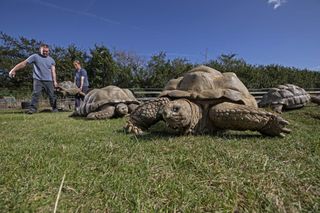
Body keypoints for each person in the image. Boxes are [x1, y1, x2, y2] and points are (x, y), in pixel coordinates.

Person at [9, 43, 58, 114]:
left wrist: (55, 81)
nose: (45, 52)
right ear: (40, 50)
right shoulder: (35, 56)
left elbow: (53, 72)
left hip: (49, 80)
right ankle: (33, 109)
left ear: (49, 51)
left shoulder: (51, 60)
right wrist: (14, 70)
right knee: (36, 94)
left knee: (52, 95)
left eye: (46, 51)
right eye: (43, 51)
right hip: (38, 80)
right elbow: (24, 63)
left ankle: (55, 109)